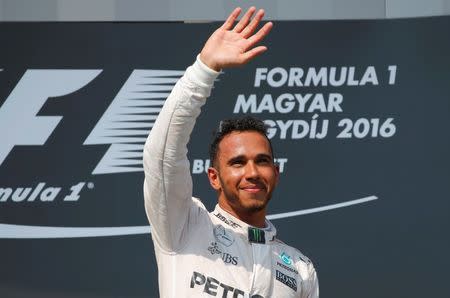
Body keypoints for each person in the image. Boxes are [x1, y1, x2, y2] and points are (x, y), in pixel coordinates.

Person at [143, 7, 319, 297]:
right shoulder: (184, 226)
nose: (252, 172)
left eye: (262, 161)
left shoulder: (300, 269)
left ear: (275, 173)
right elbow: (160, 157)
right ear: (214, 176)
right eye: (237, 162)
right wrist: (204, 68)